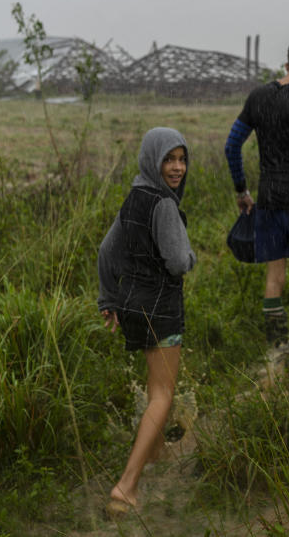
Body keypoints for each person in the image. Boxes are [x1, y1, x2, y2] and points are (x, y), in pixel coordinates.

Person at [97, 127, 196, 515]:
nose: (176, 167)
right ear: (152, 160)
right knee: (163, 395)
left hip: (132, 307)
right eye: (168, 159)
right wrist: (191, 257)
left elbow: (107, 251)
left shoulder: (135, 196)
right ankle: (126, 486)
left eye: (181, 158)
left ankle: (156, 453)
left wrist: (108, 297)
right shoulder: (164, 205)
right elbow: (176, 261)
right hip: (161, 309)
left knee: (159, 387)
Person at [224, 38, 289, 350]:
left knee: (275, 277)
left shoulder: (258, 96)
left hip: (268, 199)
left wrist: (242, 190)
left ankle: (277, 352)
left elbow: (232, 145)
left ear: (288, 64)